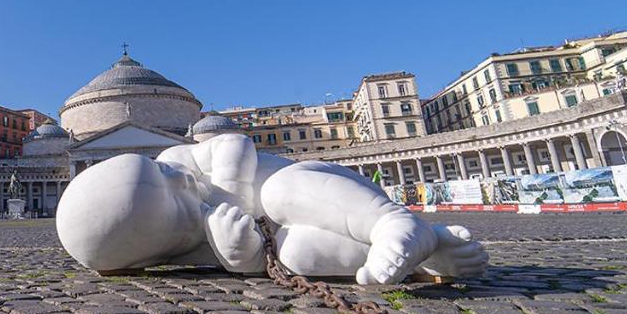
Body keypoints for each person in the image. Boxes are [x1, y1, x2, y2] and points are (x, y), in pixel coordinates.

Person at [55, 133, 487, 284]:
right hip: (292, 231)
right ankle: (429, 253)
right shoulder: (179, 245)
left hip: (319, 191)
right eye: (171, 195)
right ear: (151, 255)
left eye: (159, 169)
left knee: (281, 189)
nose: (177, 178)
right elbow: (252, 260)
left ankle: (391, 222)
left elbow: (234, 143)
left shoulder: (183, 162)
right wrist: (239, 256)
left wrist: (227, 198)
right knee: (293, 256)